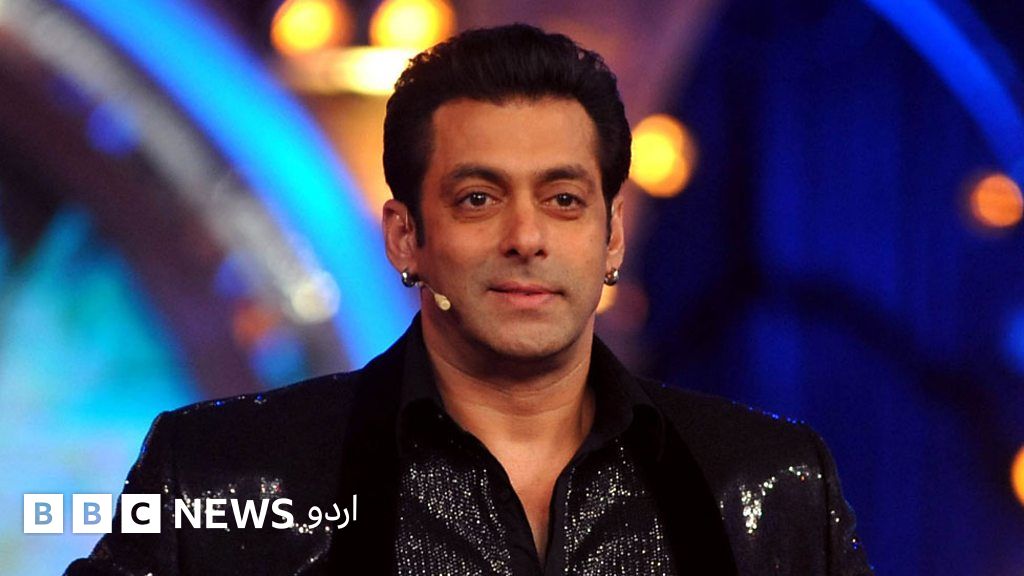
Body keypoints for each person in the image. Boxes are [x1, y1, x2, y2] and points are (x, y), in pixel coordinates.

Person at [66, 24, 872, 576]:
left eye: (563, 200)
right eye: (479, 200)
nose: (527, 238)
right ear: (405, 238)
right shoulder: (226, 476)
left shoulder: (769, 487)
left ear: (612, 238)